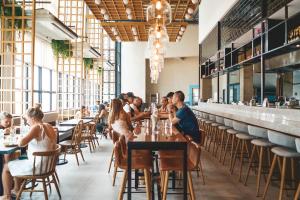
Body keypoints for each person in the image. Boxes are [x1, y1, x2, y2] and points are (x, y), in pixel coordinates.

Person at [2, 107, 57, 200]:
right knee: (17, 160)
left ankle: (7, 196)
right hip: (48, 165)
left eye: (27, 119)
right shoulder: (48, 125)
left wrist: (18, 138)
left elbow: (21, 143)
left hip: (38, 167)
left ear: (33, 118)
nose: (27, 122)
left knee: (6, 167)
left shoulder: (36, 127)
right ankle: (16, 189)